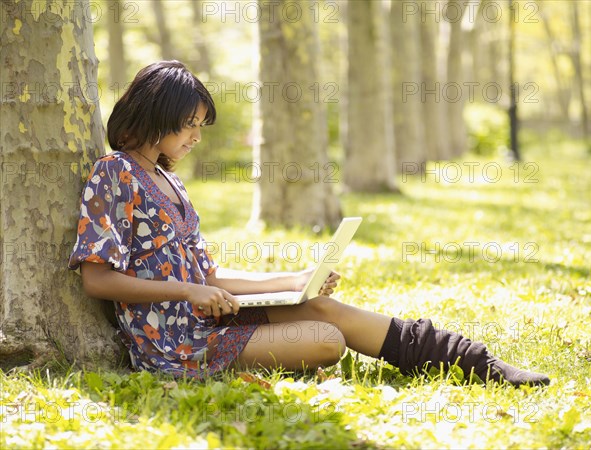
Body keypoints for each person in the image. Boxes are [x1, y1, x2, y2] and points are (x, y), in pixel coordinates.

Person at [68, 61, 549, 387]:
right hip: (175, 342)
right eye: (189, 124)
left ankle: (477, 362)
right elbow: (98, 278)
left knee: (328, 309)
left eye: (200, 125)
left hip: (206, 314)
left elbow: (208, 278)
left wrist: (296, 282)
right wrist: (187, 293)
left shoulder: (170, 183)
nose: (196, 136)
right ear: (157, 115)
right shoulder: (115, 174)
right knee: (325, 340)